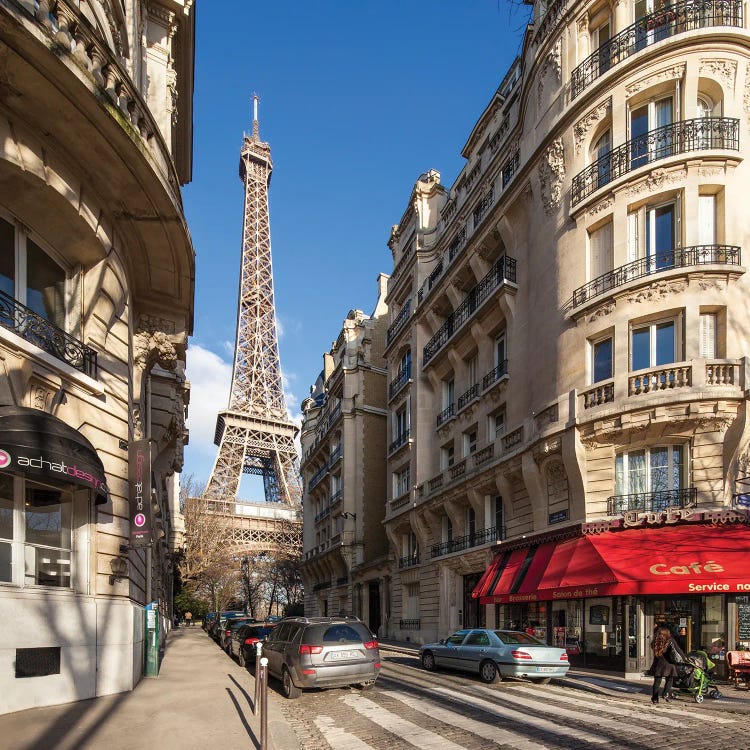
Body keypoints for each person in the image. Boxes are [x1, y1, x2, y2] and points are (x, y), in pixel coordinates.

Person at [649, 626, 678, 704]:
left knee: (657, 681)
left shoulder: (655, 642)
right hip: (669, 664)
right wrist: (684, 658)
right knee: (670, 679)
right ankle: (665, 693)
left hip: (658, 664)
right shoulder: (670, 641)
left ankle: (655, 699)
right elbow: (678, 650)